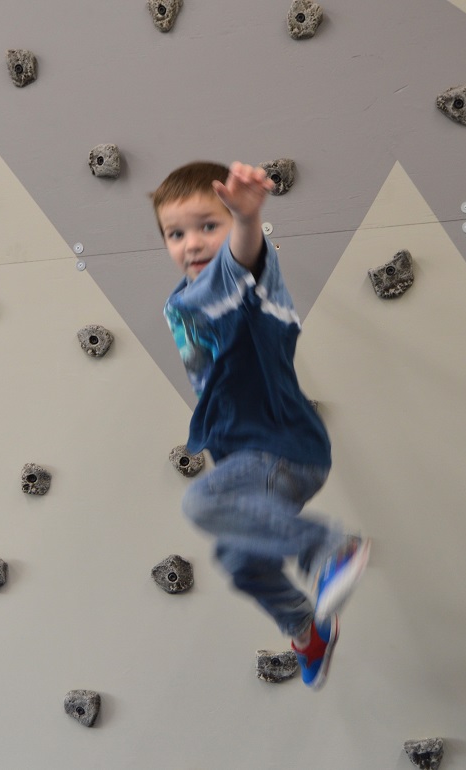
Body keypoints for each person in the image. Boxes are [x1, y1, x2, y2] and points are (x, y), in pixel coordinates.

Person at [154, 160, 370, 689]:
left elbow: (243, 257)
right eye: (175, 234)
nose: (192, 243)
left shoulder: (237, 280)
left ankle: (327, 548)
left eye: (208, 225)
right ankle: (306, 631)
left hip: (280, 445)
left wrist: (247, 219)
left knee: (201, 502)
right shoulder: (184, 299)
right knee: (238, 558)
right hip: (251, 460)